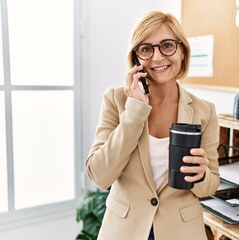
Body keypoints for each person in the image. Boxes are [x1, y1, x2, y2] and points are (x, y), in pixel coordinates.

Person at [85, 11, 220, 240]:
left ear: (182, 52)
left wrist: (200, 175)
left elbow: (210, 185)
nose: (157, 58)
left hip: (181, 232)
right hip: (124, 231)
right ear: (136, 58)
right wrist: (134, 111)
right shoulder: (115, 100)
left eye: (167, 45)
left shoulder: (204, 111)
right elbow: (100, 176)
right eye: (146, 49)